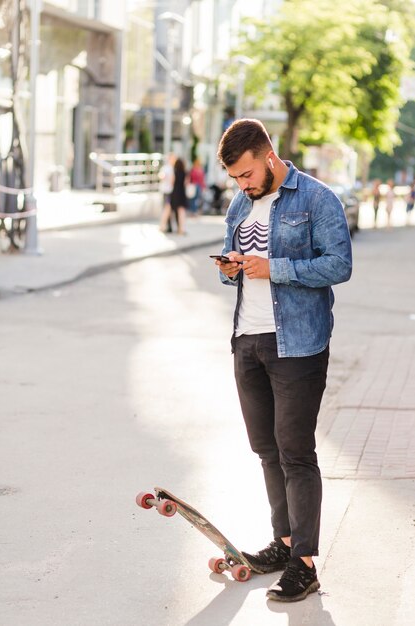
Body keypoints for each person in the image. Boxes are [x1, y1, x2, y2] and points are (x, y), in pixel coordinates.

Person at [213, 119, 352, 602]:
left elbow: (339, 264)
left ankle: (306, 563)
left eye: (247, 174)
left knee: (295, 453)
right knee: (266, 450)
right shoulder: (239, 204)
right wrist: (231, 267)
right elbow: (236, 270)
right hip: (247, 340)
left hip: (297, 344)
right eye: (235, 179)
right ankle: (286, 541)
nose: (243, 185)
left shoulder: (316, 198)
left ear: (268, 157)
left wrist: (277, 268)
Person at [170, 158, 188, 235]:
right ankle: (181, 229)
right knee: (181, 212)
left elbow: (172, 182)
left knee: (174, 211)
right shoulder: (185, 173)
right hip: (182, 193)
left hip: (175, 193)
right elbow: (186, 183)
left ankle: (176, 228)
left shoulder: (174, 172)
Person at [159, 153, 176, 233]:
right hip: (168, 191)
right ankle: (162, 226)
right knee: (167, 209)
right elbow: (163, 176)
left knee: (168, 209)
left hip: (167, 191)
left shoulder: (168, 168)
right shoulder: (169, 168)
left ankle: (168, 227)